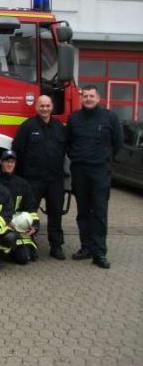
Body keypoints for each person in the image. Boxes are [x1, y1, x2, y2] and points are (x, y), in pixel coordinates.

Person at [66, 85, 123, 269]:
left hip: (100, 172)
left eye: (92, 96)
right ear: (81, 99)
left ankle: (99, 252)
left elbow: (118, 142)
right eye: (85, 96)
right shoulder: (74, 119)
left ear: (99, 98)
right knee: (83, 212)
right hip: (80, 171)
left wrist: (105, 159)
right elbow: (68, 143)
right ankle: (86, 247)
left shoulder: (110, 117)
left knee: (99, 213)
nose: (88, 99)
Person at [12, 95, 67, 260]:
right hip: (33, 179)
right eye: (42, 105)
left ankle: (56, 246)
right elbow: (17, 151)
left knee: (56, 213)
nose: (45, 108)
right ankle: (29, 244)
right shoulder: (28, 126)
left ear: (52, 107)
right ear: (36, 107)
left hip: (55, 179)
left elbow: (66, 150)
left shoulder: (60, 127)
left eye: (47, 105)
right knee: (29, 214)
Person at [0, 150, 39, 264]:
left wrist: (34, 225)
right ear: (1, 162)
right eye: (6, 161)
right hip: (0, 224)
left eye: (12, 162)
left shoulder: (22, 184)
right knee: (7, 242)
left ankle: (14, 249)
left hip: (18, 225)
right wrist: (5, 221)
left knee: (24, 258)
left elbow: (31, 207)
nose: (9, 164)